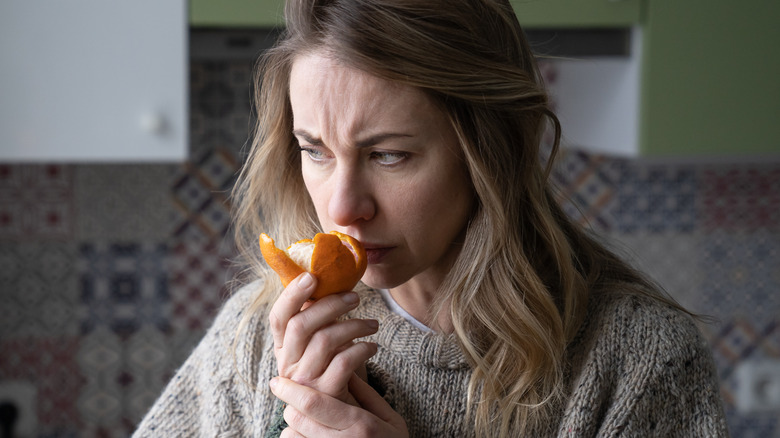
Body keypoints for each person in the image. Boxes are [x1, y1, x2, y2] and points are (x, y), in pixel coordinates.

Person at [134, 0, 730, 436]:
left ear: (492, 153)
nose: (342, 209)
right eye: (314, 150)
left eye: (389, 155)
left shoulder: (637, 360)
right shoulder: (258, 334)